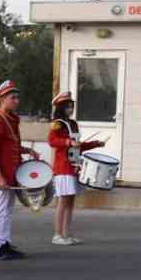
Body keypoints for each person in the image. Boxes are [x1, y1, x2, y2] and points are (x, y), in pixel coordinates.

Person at [0, 79, 38, 261]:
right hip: (2, 175)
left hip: (12, 173)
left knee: (7, 210)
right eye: (12, 98)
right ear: (2, 99)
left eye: (17, 97)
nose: (17, 101)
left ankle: (4, 242)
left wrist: (28, 150)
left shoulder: (11, 119)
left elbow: (12, 146)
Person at [46, 91, 104, 247]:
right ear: (60, 107)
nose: (71, 109)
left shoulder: (73, 124)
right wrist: (68, 143)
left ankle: (67, 233)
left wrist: (94, 144)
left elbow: (78, 145)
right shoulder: (57, 123)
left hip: (74, 166)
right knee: (63, 202)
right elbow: (52, 141)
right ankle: (57, 234)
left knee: (70, 202)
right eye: (67, 107)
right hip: (63, 167)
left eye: (72, 106)